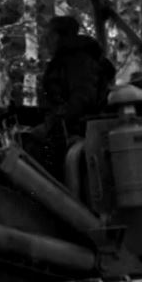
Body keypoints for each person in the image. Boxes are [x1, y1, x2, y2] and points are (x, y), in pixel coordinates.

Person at [31, 14, 115, 174]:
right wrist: (17, 113)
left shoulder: (78, 61)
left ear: (57, 36)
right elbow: (53, 110)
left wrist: (50, 125)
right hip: (64, 130)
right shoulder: (63, 62)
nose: (45, 41)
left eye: (49, 36)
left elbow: (82, 100)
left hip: (80, 133)